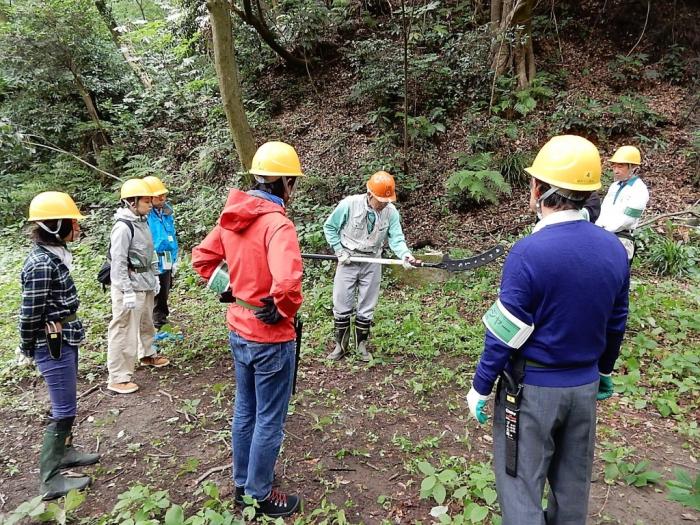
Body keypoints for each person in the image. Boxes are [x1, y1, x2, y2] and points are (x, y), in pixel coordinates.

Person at [466, 135, 630, 525]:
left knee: (521, 485)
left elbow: (507, 330)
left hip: (533, 391)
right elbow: (616, 320)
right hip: (584, 387)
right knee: (573, 489)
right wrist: (604, 370)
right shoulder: (613, 249)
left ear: (540, 190)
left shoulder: (530, 251)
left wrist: (481, 385)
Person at [192, 141, 304, 518]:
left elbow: (202, 259)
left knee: (245, 410)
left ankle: (242, 482)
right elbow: (287, 283)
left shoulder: (233, 215)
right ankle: (257, 493)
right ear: (285, 183)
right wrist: (283, 307)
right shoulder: (277, 224)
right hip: (270, 337)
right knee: (269, 416)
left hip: (239, 328)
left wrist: (227, 288)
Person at [19, 192, 100, 500]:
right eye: (72, 223)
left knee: (67, 403)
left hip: (66, 335)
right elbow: (30, 311)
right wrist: (27, 346)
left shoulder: (54, 255)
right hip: (52, 341)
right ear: (55, 226)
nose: (77, 228)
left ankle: (65, 453)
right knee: (64, 408)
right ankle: (50, 478)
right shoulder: (41, 263)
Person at [323, 171, 418, 362]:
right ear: (370, 194)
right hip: (348, 258)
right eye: (380, 199)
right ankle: (340, 346)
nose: (383, 203)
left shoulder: (391, 212)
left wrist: (406, 255)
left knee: (367, 304)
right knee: (342, 302)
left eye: (386, 200)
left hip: (373, 260)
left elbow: (396, 238)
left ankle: (361, 346)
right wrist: (339, 250)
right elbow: (329, 227)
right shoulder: (349, 204)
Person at [106, 178, 169, 395]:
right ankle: (119, 376)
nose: (150, 204)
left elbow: (148, 252)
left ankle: (147, 354)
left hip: (145, 282)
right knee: (124, 329)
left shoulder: (142, 222)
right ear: (132, 202)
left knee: (146, 322)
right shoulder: (123, 228)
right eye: (146, 200)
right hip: (130, 285)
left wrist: (156, 277)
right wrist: (126, 290)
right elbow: (118, 262)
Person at [595, 145, 649, 261]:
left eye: (620, 166)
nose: (616, 170)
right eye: (614, 166)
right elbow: (603, 211)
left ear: (633, 167)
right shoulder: (614, 186)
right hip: (603, 236)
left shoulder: (639, 189)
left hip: (622, 239)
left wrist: (604, 232)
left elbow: (627, 220)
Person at [143, 176, 179, 335]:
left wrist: (175, 258)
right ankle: (154, 325)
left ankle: (161, 320)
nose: (162, 198)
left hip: (167, 256)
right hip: (153, 258)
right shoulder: (144, 215)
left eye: (163, 195)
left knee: (164, 289)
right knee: (153, 291)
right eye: (158, 196)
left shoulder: (166, 212)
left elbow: (171, 234)